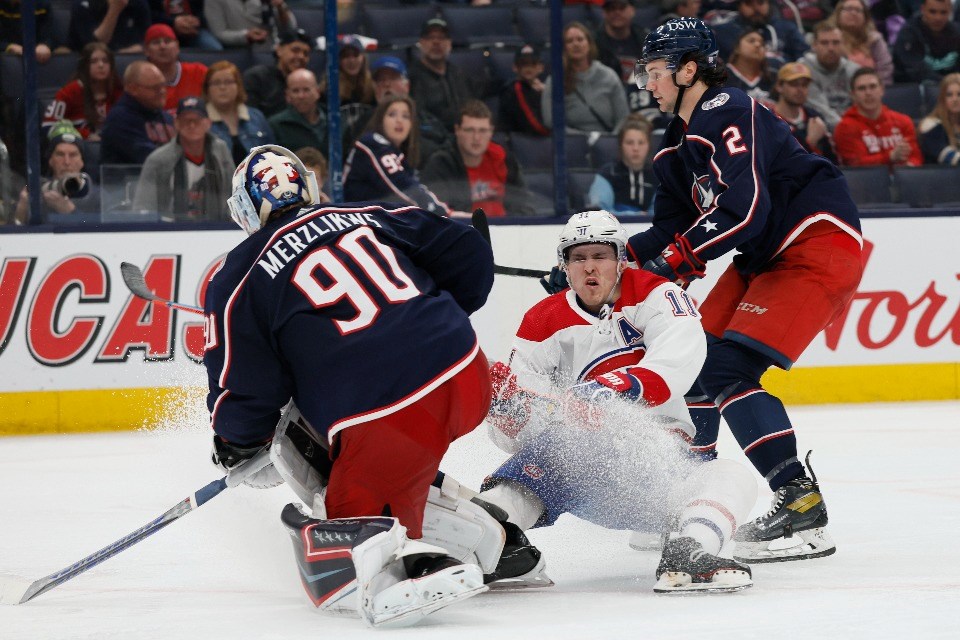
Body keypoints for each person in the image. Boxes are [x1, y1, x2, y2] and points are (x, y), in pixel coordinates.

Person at [204, 144, 498, 627]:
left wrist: (238, 443)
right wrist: (424, 321)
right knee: (394, 451)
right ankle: (497, 542)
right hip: (467, 373)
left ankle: (396, 562)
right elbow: (467, 252)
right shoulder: (367, 212)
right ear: (309, 185)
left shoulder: (237, 275)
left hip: (386, 416)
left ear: (243, 211)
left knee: (326, 482)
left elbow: (246, 389)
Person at [627, 18, 863, 563]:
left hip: (813, 242)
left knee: (726, 370)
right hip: (765, 255)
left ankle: (801, 505)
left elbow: (746, 209)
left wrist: (679, 259)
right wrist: (610, 260)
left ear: (689, 70)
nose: (648, 82)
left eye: (656, 71)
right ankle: (692, 495)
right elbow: (668, 233)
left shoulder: (726, 109)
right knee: (692, 359)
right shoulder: (674, 146)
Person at [479, 210, 758, 593]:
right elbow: (520, 433)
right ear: (565, 265)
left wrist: (608, 388)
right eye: (578, 258)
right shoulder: (541, 321)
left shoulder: (658, 294)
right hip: (578, 468)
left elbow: (680, 358)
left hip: (655, 468)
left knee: (732, 474)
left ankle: (689, 552)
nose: (589, 267)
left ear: (621, 259)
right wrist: (510, 414)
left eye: (600, 256)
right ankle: (478, 543)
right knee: (532, 467)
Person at [421, 100, 532, 217]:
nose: (477, 137)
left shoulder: (505, 160)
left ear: (491, 132)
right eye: (470, 130)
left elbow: (524, 206)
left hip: (505, 231)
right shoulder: (441, 164)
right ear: (457, 130)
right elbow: (436, 213)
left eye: (483, 131)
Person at [343, 95, 448, 215]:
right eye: (392, 114)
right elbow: (405, 187)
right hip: (354, 221)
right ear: (380, 120)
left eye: (406, 116)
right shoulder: (372, 143)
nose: (399, 120)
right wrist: (444, 214)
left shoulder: (400, 156)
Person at [132, 97, 233, 220]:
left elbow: (235, 193)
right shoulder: (158, 159)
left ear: (208, 123)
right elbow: (143, 205)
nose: (191, 125)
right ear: (176, 123)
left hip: (217, 227)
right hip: (169, 229)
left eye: (197, 120)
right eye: (186, 120)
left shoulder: (220, 151)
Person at [346, 56, 453, 168]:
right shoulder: (362, 123)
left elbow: (446, 146)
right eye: (381, 80)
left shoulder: (426, 118)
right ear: (375, 88)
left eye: (393, 78)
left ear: (406, 86)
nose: (387, 84)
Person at [543, 21, 630, 134]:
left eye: (580, 39)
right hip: (572, 142)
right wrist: (583, 139)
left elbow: (623, 118)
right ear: (564, 48)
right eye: (570, 41)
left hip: (607, 142)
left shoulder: (608, 76)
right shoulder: (555, 80)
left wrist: (609, 141)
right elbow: (551, 122)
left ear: (589, 44)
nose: (576, 44)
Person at [833, 67, 923, 167]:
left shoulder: (903, 121)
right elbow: (856, 165)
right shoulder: (845, 128)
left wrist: (909, 168)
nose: (868, 93)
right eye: (862, 88)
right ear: (853, 95)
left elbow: (916, 157)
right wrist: (890, 156)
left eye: (873, 86)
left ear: (882, 90)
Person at [14, 128, 99, 223]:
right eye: (60, 154)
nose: (66, 162)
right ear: (50, 160)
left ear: (82, 162)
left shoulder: (97, 196)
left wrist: (71, 211)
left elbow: (105, 233)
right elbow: (10, 231)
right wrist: (21, 210)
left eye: (73, 155)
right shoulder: (37, 191)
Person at [408, 17, 478, 132]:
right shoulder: (412, 77)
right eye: (430, 37)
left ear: (450, 43)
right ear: (421, 42)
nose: (436, 42)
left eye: (441, 38)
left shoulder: (459, 74)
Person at [42, 41, 123, 140]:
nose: (101, 65)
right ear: (85, 66)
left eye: (105, 61)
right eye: (94, 61)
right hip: (79, 150)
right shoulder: (70, 92)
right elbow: (49, 126)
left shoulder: (119, 91)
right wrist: (85, 135)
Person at [100, 60, 175, 164]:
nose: (162, 91)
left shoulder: (166, 117)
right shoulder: (120, 119)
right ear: (133, 89)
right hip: (126, 179)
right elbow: (148, 158)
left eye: (163, 85)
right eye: (155, 88)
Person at [203, 61, 275, 165]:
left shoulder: (256, 117)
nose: (222, 87)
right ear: (207, 89)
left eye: (228, 82)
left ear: (238, 86)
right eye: (216, 83)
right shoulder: (201, 120)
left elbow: (273, 155)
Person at [587, 113, 657, 214]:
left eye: (641, 143)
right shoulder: (607, 174)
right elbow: (600, 212)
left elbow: (663, 212)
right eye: (629, 143)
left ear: (649, 146)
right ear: (620, 145)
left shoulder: (658, 176)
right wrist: (636, 216)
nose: (635, 148)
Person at [800, 22, 862, 130]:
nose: (831, 48)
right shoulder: (804, 71)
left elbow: (864, 106)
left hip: (855, 127)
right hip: (824, 131)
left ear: (843, 44)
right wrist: (847, 129)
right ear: (814, 45)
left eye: (836, 43)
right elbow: (820, 110)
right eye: (824, 43)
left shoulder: (855, 70)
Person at [712, 0, 809, 68]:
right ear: (739, 6)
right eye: (748, 3)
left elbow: (803, 57)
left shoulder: (786, 28)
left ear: (769, 4)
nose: (756, 8)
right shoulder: (724, 31)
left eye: (760, 2)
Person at [242, 28, 312, 118]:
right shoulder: (257, 77)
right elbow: (251, 119)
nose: (301, 56)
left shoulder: (308, 83)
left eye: (306, 53)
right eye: (295, 50)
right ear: (279, 50)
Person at [595, 0, 650, 113]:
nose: (617, 12)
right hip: (606, 101)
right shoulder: (594, 43)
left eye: (622, 7)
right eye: (611, 9)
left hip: (641, 100)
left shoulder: (646, 39)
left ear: (632, 10)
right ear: (604, 13)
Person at [771, 62, 833, 160]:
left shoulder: (814, 117)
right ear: (779, 86)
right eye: (794, 84)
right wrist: (810, 142)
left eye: (804, 85)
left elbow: (833, 160)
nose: (800, 90)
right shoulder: (768, 120)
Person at [142, 22, 208, 113]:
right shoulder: (140, 80)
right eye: (156, 42)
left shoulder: (199, 72)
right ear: (146, 51)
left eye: (167, 41)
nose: (162, 46)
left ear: (177, 47)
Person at [892, 0, 960, 83]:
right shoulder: (908, 33)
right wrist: (947, 83)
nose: (938, 18)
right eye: (932, 12)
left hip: (954, 88)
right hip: (915, 88)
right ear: (922, 9)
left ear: (950, 12)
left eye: (943, 12)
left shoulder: (957, 32)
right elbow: (915, 70)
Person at [830, 0, 894, 86]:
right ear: (838, 14)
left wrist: (877, 88)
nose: (853, 13)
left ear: (865, 17)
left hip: (873, 90)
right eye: (849, 9)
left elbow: (885, 68)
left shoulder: (875, 39)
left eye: (858, 10)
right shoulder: (829, 40)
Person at [267, 69, 328, 155]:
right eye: (295, 91)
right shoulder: (276, 125)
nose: (301, 96)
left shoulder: (334, 121)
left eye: (306, 90)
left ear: (317, 92)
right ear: (287, 95)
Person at [498, 43, 550, 137]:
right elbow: (533, 126)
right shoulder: (514, 90)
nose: (528, 68)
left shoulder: (543, 88)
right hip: (519, 141)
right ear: (515, 67)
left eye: (533, 64)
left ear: (541, 68)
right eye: (523, 64)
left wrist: (547, 93)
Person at [204, 0, 297, 51]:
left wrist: (280, 7)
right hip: (238, 53)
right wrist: (246, 36)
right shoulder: (214, 1)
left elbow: (290, 28)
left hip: (271, 51)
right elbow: (219, 33)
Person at [69, 0, 152, 54]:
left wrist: (122, 54)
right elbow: (94, 45)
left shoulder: (139, 3)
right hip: (88, 62)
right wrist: (115, 9)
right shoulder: (82, 5)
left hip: (129, 58)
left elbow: (146, 41)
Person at [723, 28, 776, 105]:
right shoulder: (720, 75)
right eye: (751, 41)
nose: (757, 45)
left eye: (762, 44)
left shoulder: (773, 77)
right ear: (737, 48)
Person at [918, 72, 960, 165]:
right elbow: (949, 159)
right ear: (942, 99)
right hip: (940, 177)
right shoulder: (931, 126)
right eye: (949, 95)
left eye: (959, 94)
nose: (955, 99)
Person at [148, 0, 223, 51]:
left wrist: (195, 21)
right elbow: (149, 15)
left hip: (192, 29)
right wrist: (173, 22)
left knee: (214, 48)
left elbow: (200, 12)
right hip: (162, 28)